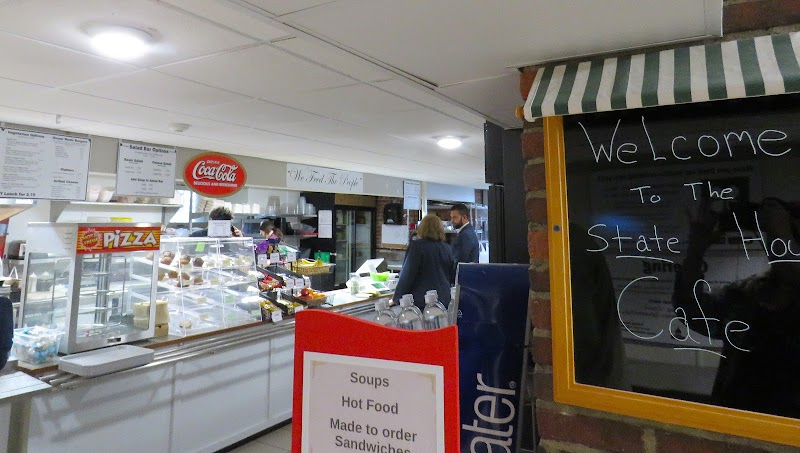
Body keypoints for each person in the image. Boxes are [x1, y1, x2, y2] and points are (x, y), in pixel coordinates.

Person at [673, 196, 800, 418]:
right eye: (772, 236)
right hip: (734, 425)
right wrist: (695, 253)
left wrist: (784, 236)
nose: (774, 243)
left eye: (785, 239)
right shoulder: (749, 295)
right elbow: (691, 312)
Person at [393, 214, 455, 310]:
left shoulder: (417, 247)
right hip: (444, 299)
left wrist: (396, 298)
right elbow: (452, 276)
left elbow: (407, 275)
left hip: (423, 301)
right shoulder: (447, 248)